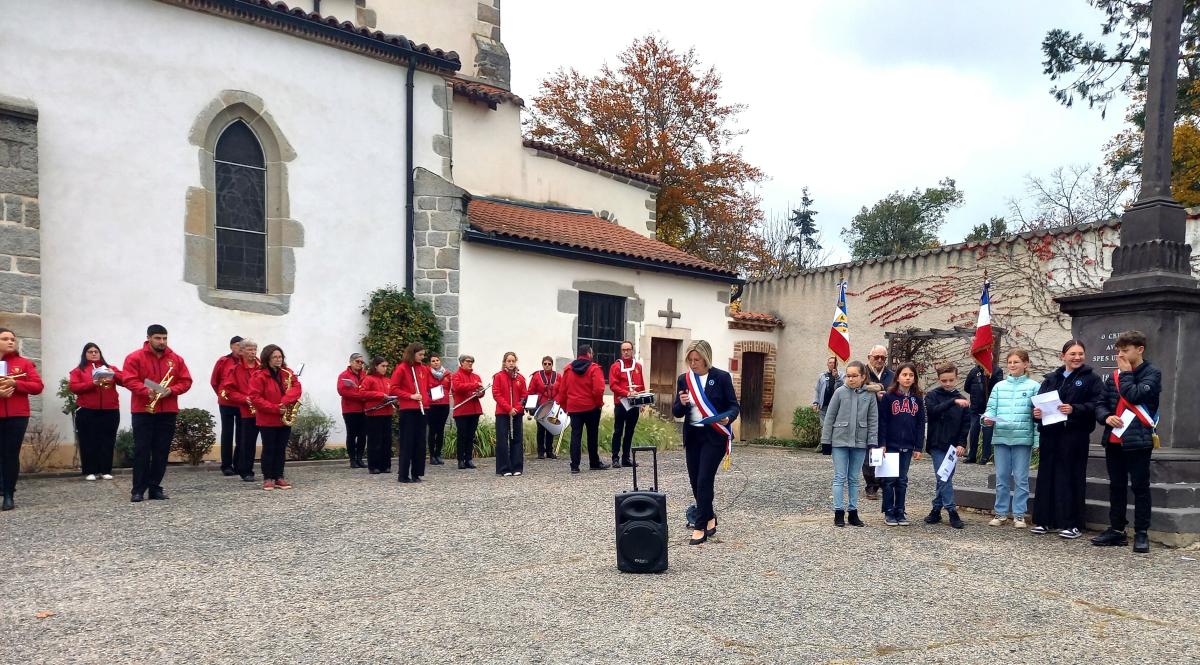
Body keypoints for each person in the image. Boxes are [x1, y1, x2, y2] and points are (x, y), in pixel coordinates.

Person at [1092, 331, 1161, 554]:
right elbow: (1101, 403)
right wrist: (1105, 417)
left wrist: (1125, 373)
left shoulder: (1152, 374)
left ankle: (1141, 533)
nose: (1120, 355)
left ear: (1139, 350)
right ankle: (1117, 530)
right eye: (1119, 351)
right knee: (1117, 486)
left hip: (1139, 440)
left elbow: (1134, 396)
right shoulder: (1115, 375)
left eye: (1125, 350)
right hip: (1114, 439)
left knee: (1140, 487)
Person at [1031, 340, 1102, 539]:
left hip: (1075, 435)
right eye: (1072, 354)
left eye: (1080, 353)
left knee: (1070, 477)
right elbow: (1038, 403)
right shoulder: (1051, 379)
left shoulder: (1092, 379)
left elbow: (1097, 404)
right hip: (1050, 435)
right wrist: (1035, 412)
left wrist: (1075, 409)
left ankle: (1072, 523)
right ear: (1063, 356)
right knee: (1047, 477)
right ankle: (1045, 520)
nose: (1077, 357)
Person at [672, 340, 739, 545]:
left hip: (714, 436)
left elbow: (733, 406)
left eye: (697, 360)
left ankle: (699, 525)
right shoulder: (684, 379)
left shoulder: (721, 377)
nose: (693, 364)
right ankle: (709, 516)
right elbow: (676, 411)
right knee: (695, 481)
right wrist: (681, 404)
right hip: (693, 436)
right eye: (690, 360)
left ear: (706, 359)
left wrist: (728, 418)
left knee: (704, 479)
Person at [121, 324, 193, 503]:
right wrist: (147, 391)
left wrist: (172, 390)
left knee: (161, 451)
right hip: (143, 410)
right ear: (149, 338)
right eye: (158, 338)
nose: (162, 342)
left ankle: (155, 488)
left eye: (164, 338)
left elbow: (186, 380)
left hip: (167, 410)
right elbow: (128, 379)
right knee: (142, 451)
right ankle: (137, 490)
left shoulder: (176, 359)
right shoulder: (134, 357)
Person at [982, 349, 1039, 529]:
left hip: (1023, 439)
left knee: (1021, 478)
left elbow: (1038, 416)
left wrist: (1037, 441)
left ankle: (1019, 514)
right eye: (1010, 362)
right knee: (1002, 478)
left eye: (1016, 362)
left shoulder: (1034, 386)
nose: (1012, 365)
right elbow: (991, 408)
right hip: (1001, 438)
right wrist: (987, 419)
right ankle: (1000, 513)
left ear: (1026, 364)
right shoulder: (999, 386)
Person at [820, 360, 876, 527]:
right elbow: (829, 418)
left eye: (854, 376)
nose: (851, 379)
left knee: (853, 478)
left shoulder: (869, 395)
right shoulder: (839, 392)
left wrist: (872, 441)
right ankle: (838, 512)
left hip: (860, 441)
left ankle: (853, 511)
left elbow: (873, 420)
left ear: (863, 376)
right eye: (848, 376)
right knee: (839, 477)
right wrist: (826, 441)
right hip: (840, 440)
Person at [0, 328, 44, 511]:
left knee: (10, 455)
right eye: (5, 339)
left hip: (17, 416)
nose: (10, 342)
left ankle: (8, 494)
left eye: (13, 339)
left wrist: (16, 383)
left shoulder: (24, 363)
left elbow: (37, 386)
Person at [923, 363, 971, 529]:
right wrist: (952, 401)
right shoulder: (932, 395)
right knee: (943, 476)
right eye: (944, 380)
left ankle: (936, 508)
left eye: (951, 380)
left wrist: (962, 443)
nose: (948, 383)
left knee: (945, 477)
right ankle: (951, 510)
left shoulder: (963, 400)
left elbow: (966, 424)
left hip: (952, 446)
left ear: (956, 378)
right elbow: (933, 411)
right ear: (939, 380)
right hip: (937, 443)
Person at [877, 362, 925, 526]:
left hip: (908, 446)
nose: (907, 378)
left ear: (914, 378)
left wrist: (918, 446)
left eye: (911, 375)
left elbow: (920, 423)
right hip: (891, 445)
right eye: (904, 375)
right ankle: (889, 511)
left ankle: (900, 510)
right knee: (889, 480)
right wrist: (881, 443)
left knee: (902, 480)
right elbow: (882, 421)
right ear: (897, 377)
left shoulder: (917, 398)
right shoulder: (889, 397)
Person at [250, 344, 302, 490]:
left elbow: (296, 388)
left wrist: (284, 403)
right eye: (275, 357)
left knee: (281, 448)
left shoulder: (288, 373)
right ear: (267, 359)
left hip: (284, 416)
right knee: (269, 448)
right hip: (267, 418)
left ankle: (279, 477)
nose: (278, 360)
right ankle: (268, 478)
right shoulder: (258, 375)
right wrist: (274, 408)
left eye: (280, 357)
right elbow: (255, 397)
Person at [68, 343, 122, 482]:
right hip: (87, 410)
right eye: (90, 351)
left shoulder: (110, 368)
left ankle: (105, 470)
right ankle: (90, 471)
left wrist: (114, 373)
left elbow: (124, 380)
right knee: (88, 441)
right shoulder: (78, 370)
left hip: (110, 410)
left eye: (96, 351)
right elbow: (73, 387)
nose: (93, 354)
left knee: (108, 440)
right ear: (85, 354)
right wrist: (93, 383)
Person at [557, 344, 608, 474]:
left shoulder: (568, 369)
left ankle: (575, 465)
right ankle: (594, 463)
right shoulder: (594, 369)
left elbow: (562, 391)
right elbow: (598, 389)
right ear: (589, 354)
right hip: (591, 407)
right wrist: (598, 404)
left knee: (576, 436)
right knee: (592, 435)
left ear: (578, 354)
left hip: (574, 408)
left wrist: (565, 406)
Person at [221, 339, 260, 482]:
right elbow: (228, 391)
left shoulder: (262, 367)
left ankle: (270, 470)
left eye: (254, 349)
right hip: (247, 410)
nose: (253, 352)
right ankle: (246, 470)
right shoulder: (234, 370)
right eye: (249, 349)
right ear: (241, 351)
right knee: (247, 442)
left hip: (264, 409)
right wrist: (244, 399)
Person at [391, 343, 430, 483]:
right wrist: (410, 396)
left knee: (420, 443)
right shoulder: (402, 368)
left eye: (423, 354)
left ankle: (416, 473)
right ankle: (403, 475)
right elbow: (393, 389)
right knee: (407, 442)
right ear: (412, 354)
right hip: (408, 410)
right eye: (420, 355)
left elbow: (426, 387)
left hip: (422, 409)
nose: (422, 357)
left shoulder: (424, 369)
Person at [861, 345, 895, 500]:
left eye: (883, 357)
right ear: (869, 357)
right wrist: (879, 388)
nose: (880, 360)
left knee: (886, 451)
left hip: (888, 418)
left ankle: (885, 482)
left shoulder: (891, 375)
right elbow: (859, 387)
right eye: (877, 357)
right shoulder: (862, 373)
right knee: (870, 451)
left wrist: (882, 391)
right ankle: (871, 485)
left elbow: (895, 390)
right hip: (868, 418)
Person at [609, 341, 645, 468]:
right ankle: (615, 458)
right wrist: (626, 393)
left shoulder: (638, 366)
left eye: (628, 349)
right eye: (623, 350)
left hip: (634, 404)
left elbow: (641, 384)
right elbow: (613, 385)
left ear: (632, 350)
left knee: (630, 431)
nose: (626, 352)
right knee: (618, 431)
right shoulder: (616, 366)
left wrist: (642, 401)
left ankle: (626, 458)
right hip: (621, 404)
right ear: (621, 351)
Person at [210, 336, 243, 476]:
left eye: (242, 345)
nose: (240, 347)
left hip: (242, 403)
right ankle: (226, 465)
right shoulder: (223, 361)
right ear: (231, 346)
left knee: (242, 434)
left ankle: (239, 463)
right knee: (227, 433)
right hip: (226, 402)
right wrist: (221, 394)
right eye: (237, 345)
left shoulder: (248, 362)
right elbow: (214, 381)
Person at [492, 352, 527, 477]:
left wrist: (517, 408)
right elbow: (497, 394)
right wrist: (508, 408)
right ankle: (503, 467)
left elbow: (524, 395)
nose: (511, 363)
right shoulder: (498, 376)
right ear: (504, 362)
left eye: (513, 361)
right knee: (502, 440)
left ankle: (517, 466)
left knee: (517, 439)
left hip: (517, 413)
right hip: (503, 413)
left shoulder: (520, 378)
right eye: (509, 361)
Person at [360, 357, 395, 474]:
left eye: (386, 366)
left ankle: (385, 465)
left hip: (387, 412)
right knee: (375, 440)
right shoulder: (368, 379)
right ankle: (373, 465)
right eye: (382, 366)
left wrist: (394, 398)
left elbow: (392, 393)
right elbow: (362, 393)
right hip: (374, 413)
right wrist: (380, 395)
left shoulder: (388, 380)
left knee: (387, 440)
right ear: (376, 366)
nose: (385, 368)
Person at [964, 362, 1004, 464]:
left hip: (989, 408)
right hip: (975, 408)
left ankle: (985, 456)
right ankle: (971, 455)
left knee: (987, 432)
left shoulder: (996, 371)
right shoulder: (974, 371)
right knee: (973, 431)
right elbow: (966, 387)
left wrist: (990, 377)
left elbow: (998, 387)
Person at [450, 354, 485, 470]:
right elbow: (458, 387)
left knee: (471, 436)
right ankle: (460, 459)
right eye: (468, 361)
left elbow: (481, 392)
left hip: (474, 410)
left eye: (472, 362)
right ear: (461, 362)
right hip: (462, 410)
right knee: (462, 435)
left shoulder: (476, 376)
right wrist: (474, 385)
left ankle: (468, 459)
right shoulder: (456, 376)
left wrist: (480, 392)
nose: (470, 363)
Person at [337, 353, 369, 469]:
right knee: (351, 434)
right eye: (357, 361)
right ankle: (352, 459)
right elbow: (342, 391)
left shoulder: (364, 375)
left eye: (362, 362)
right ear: (351, 362)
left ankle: (360, 458)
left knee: (362, 435)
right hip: (350, 409)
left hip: (363, 409)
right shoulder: (344, 375)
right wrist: (360, 395)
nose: (360, 364)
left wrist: (364, 394)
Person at [527, 356, 558, 459]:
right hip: (541, 406)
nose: (547, 365)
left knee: (551, 428)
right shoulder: (536, 376)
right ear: (542, 364)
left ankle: (549, 451)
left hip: (552, 406)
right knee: (540, 429)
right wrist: (530, 406)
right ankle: (540, 452)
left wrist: (558, 403)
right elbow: (531, 391)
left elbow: (561, 390)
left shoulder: (558, 376)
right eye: (545, 363)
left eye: (549, 364)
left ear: (552, 365)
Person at [426, 352, 451, 466]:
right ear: (430, 363)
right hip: (432, 405)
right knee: (432, 430)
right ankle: (431, 455)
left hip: (444, 404)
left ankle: (438, 454)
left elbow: (450, 387)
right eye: (433, 361)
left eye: (437, 360)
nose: (435, 362)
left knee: (440, 430)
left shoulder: (447, 374)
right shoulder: (427, 373)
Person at [812, 356, 844, 422]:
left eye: (834, 363)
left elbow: (843, 387)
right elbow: (818, 390)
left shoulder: (842, 375)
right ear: (827, 364)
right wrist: (815, 403)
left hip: (836, 407)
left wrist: (837, 377)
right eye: (830, 363)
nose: (832, 364)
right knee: (824, 428)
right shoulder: (822, 376)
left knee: (834, 427)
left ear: (837, 364)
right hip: (824, 407)